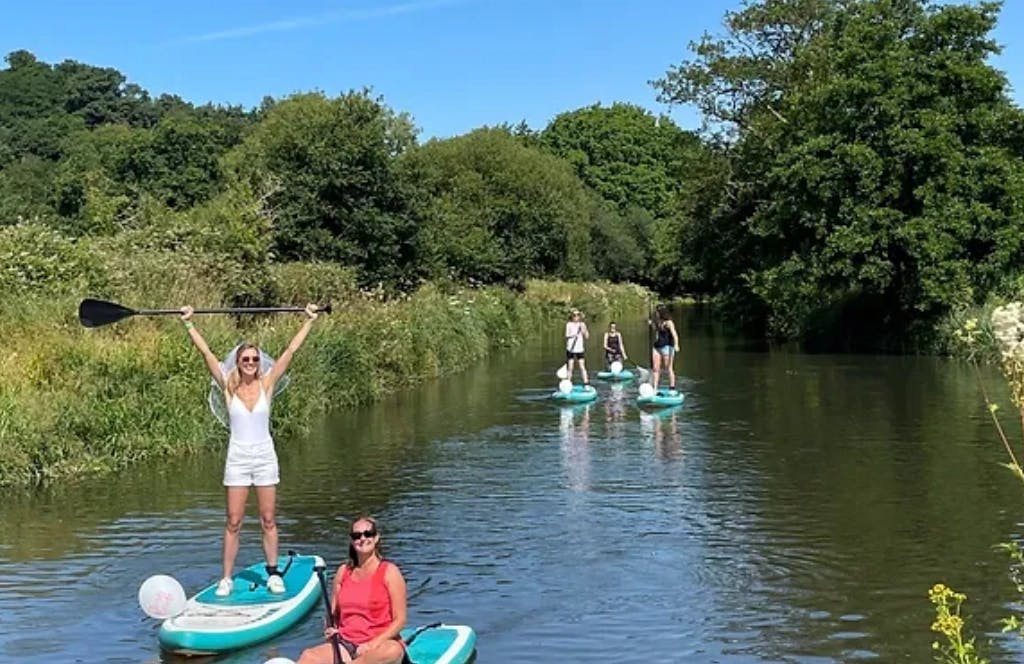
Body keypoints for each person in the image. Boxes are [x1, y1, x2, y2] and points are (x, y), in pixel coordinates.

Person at [182, 303, 319, 597]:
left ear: (259, 363)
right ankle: (227, 578)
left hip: (265, 457)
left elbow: (289, 353)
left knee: (268, 519)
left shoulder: (267, 383)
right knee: (233, 521)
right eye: (245, 358)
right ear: (238, 361)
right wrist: (189, 323)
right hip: (238, 459)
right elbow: (206, 354)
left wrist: (309, 321)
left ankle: (273, 574)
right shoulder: (228, 386)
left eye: (255, 359)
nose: (250, 363)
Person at [298, 517, 409, 664]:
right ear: (352, 540)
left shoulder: (390, 572)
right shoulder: (343, 572)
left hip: (379, 644)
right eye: (356, 536)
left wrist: (371, 644)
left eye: (367, 534)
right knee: (309, 656)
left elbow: (400, 620)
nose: (362, 539)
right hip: (346, 644)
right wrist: (331, 629)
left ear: (376, 538)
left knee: (392, 651)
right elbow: (332, 614)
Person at [650, 306, 680, 392]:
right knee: (655, 368)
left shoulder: (669, 323)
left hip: (667, 347)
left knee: (668, 368)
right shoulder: (658, 322)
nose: (656, 314)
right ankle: (655, 388)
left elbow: (675, 335)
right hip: (657, 347)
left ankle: (672, 388)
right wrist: (651, 324)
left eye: (657, 312)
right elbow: (656, 331)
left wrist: (676, 345)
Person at [564, 309, 589, 385]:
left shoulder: (582, 324)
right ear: (572, 316)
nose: (576, 317)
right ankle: (568, 383)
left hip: (579, 349)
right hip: (571, 348)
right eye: (574, 315)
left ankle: (586, 383)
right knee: (570, 367)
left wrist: (583, 329)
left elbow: (587, 336)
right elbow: (566, 335)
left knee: (582, 366)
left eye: (577, 315)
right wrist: (574, 335)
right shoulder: (569, 324)